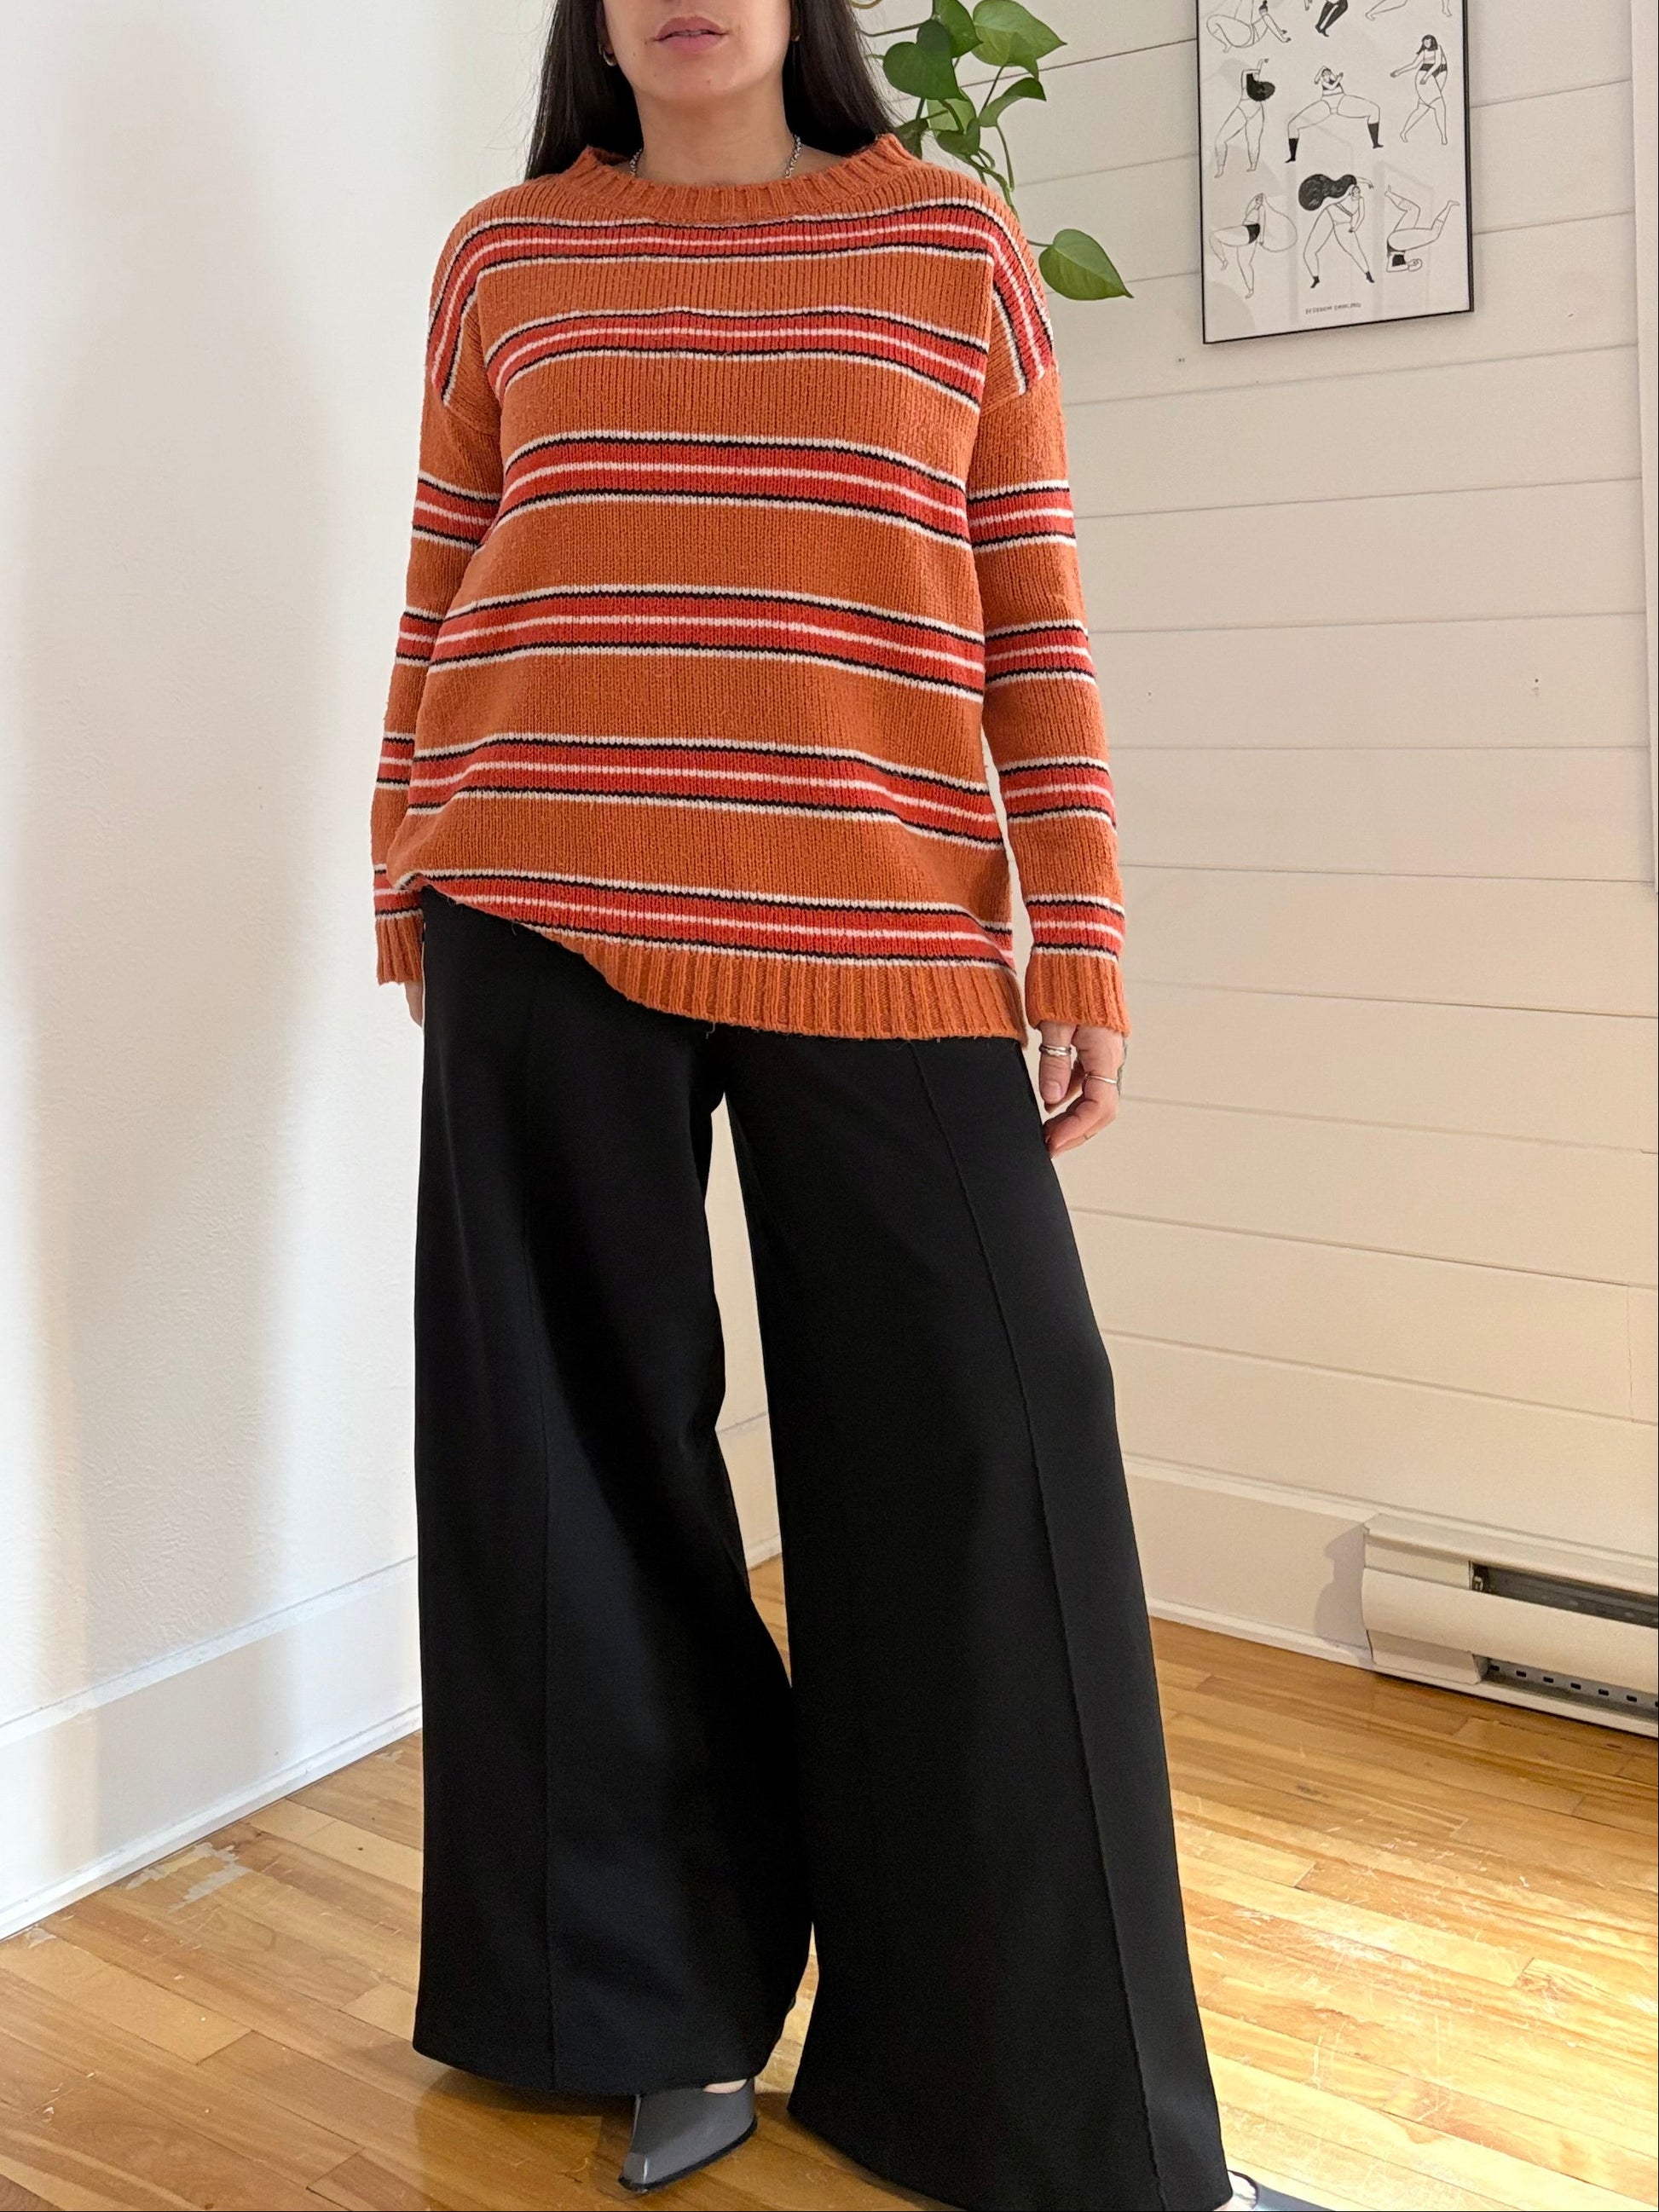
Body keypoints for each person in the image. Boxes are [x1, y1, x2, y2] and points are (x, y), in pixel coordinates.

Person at [370, 3, 1321, 2208]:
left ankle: (1040, 2106)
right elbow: (441, 573)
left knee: (992, 1441)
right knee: (567, 1470)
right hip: (532, 889)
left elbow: (1030, 614)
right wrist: (400, 873)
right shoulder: (506, 254)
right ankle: (638, 2008)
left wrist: (1076, 930)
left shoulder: (948, 243)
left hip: (879, 913)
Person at [1394, 32, 1450, 143]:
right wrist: (1399, 71)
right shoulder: (1424, 52)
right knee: (1440, 106)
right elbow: (1414, 65)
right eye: (1425, 41)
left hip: (1437, 75)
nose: (1427, 43)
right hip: (1425, 77)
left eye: (1429, 41)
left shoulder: (1438, 48)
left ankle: (1404, 132)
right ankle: (1444, 137)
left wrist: (1427, 77)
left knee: (1422, 108)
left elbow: (1438, 63)